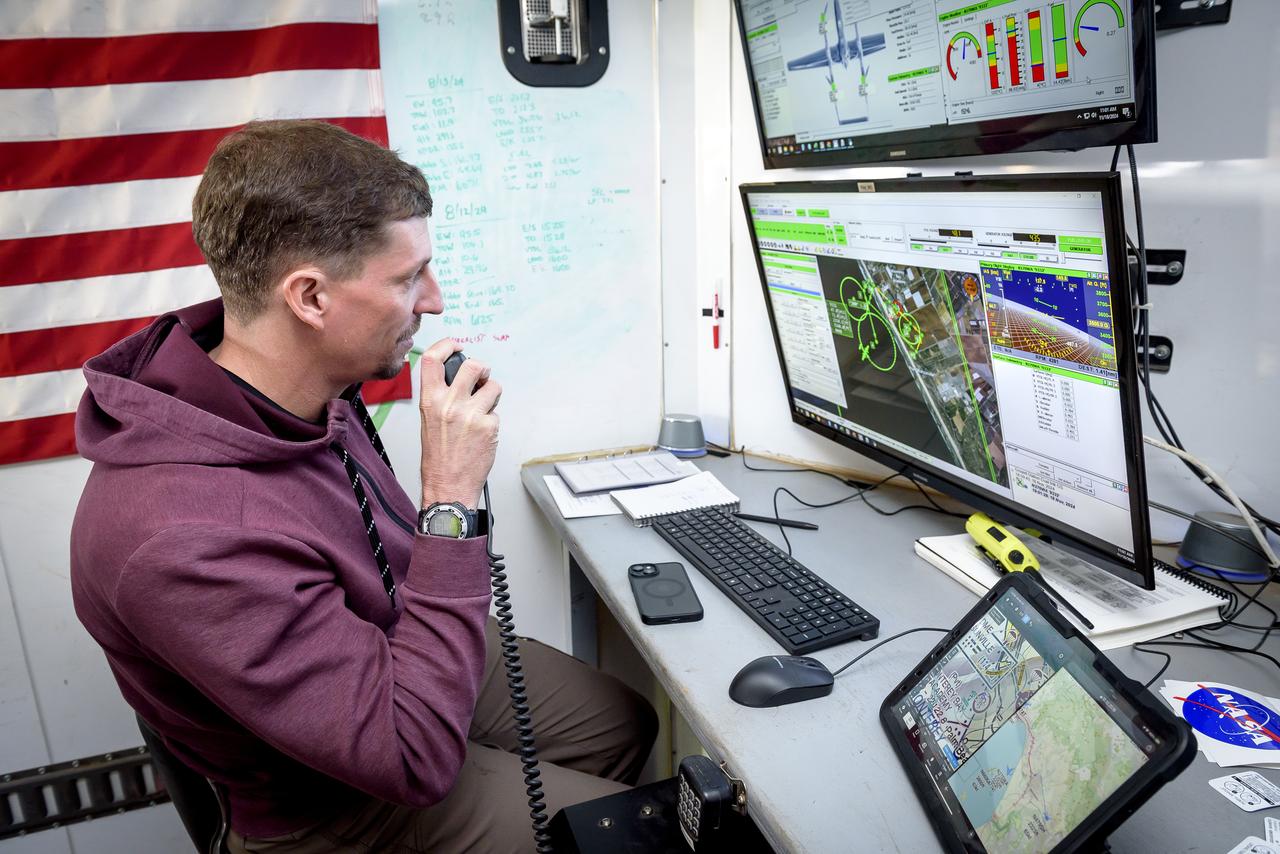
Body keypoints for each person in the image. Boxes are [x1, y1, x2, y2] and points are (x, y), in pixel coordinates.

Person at [70, 120, 656, 853]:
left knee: (622, 721)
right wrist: (451, 500)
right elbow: (410, 758)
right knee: (635, 833)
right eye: (409, 278)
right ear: (310, 299)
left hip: (382, 643)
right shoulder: (182, 535)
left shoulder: (304, 386)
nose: (434, 300)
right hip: (329, 805)